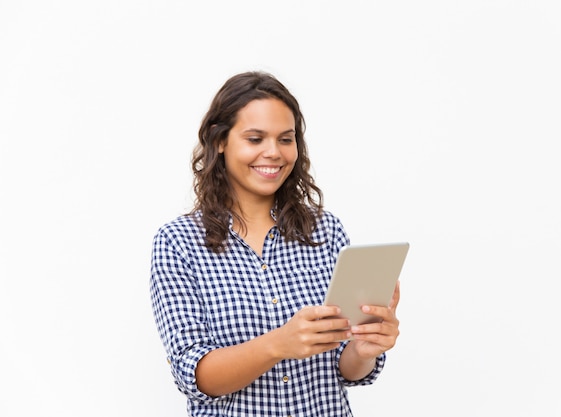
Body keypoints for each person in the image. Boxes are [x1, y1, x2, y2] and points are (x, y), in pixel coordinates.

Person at [149, 71, 401, 417]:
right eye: (255, 139)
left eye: (286, 139)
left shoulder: (324, 231)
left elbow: (346, 370)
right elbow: (193, 375)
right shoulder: (178, 243)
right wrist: (277, 344)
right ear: (219, 141)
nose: (274, 153)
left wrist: (364, 348)